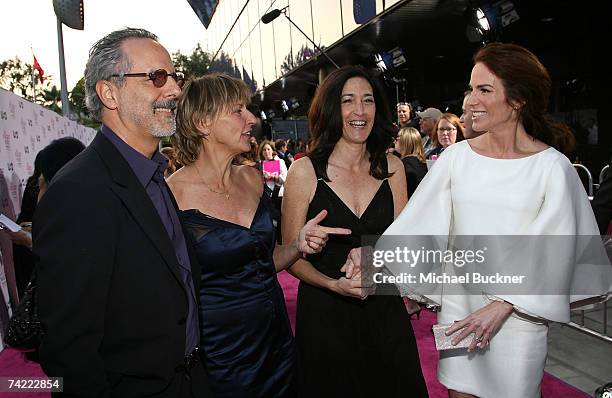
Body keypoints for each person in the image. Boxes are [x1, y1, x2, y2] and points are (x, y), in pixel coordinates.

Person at [381, 42, 612, 398]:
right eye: (471, 88)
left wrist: (504, 303)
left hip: (520, 319)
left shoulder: (552, 167)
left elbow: (556, 251)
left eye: (484, 90)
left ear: (518, 100)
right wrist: (378, 269)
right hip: (460, 306)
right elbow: (421, 228)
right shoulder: (456, 158)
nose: (471, 100)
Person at [33, 28, 212, 397]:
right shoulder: (77, 193)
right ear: (109, 93)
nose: (175, 90)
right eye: (156, 78)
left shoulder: (154, 174)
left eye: (174, 77)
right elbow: (68, 352)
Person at [168, 73, 350, 397]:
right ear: (203, 123)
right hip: (220, 357)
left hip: (277, 342)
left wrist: (297, 244)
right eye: (238, 110)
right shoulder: (170, 197)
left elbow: (263, 260)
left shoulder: (251, 178)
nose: (251, 119)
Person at [282, 65, 428, 397]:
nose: (359, 111)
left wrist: (378, 255)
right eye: (348, 101)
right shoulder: (304, 171)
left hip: (384, 310)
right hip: (325, 317)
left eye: (368, 100)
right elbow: (292, 256)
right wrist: (333, 284)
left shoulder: (392, 168)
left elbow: (403, 243)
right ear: (333, 108)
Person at [394, 127, 428, 199]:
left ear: (405, 142)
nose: (394, 142)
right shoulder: (421, 162)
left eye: (397, 139)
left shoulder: (406, 164)